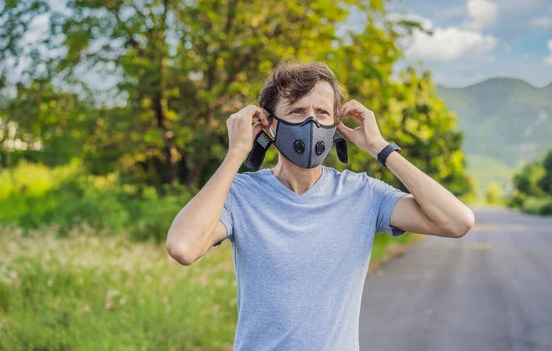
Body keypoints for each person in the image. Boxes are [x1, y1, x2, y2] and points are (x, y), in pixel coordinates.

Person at [166, 60, 475, 350]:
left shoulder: (362, 193)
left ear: (335, 123)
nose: (312, 122)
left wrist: (379, 147)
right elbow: (182, 247)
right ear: (268, 124)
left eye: (323, 113)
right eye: (298, 111)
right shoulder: (241, 195)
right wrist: (236, 153)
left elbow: (457, 221)